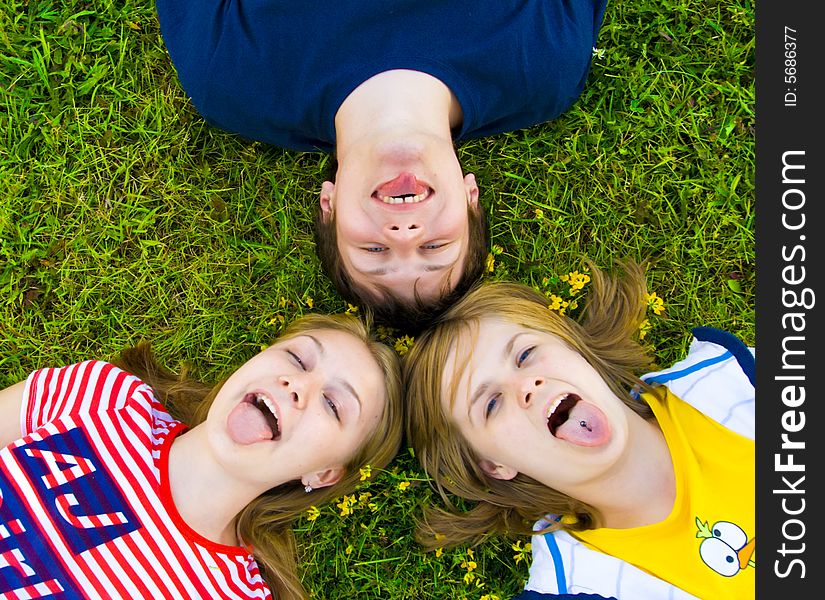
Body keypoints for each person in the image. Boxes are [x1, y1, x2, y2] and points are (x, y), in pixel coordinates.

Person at [154, 1, 609, 330]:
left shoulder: (234, 81)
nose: (405, 236)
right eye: (436, 249)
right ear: (472, 197)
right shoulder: (545, 64)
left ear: (328, 207)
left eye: (373, 253)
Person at [402, 262, 755, 599]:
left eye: (525, 355)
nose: (526, 386)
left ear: (575, 349)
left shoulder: (738, 380)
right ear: (493, 465)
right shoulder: (576, 585)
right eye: (491, 404)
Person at [0, 313, 403, 600]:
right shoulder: (105, 398)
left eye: (333, 405)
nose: (296, 383)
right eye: (297, 358)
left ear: (324, 473)